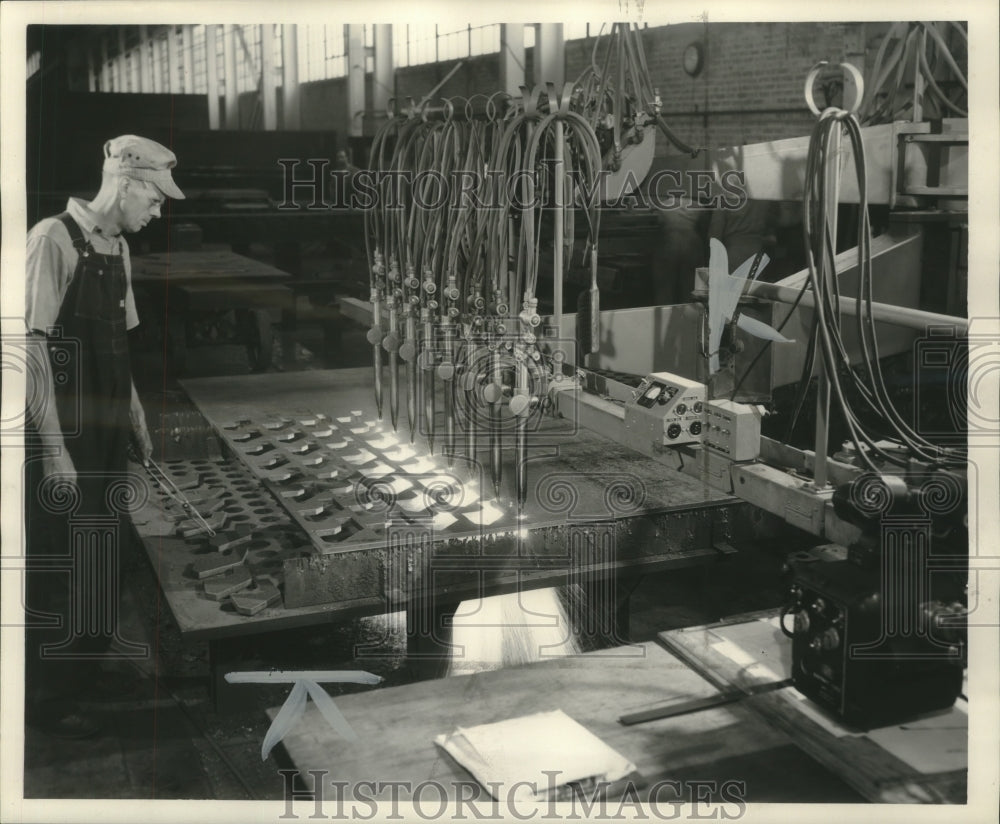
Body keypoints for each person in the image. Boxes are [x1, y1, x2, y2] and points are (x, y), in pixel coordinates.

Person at [23, 135, 185, 739]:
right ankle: (45, 701)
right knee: (59, 563)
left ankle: (84, 674)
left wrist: (136, 411)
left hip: (107, 430)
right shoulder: (53, 239)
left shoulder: (115, 248)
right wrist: (52, 450)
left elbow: (121, 340)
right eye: (155, 198)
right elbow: (31, 352)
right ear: (125, 183)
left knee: (102, 557)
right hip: (62, 432)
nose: (159, 211)